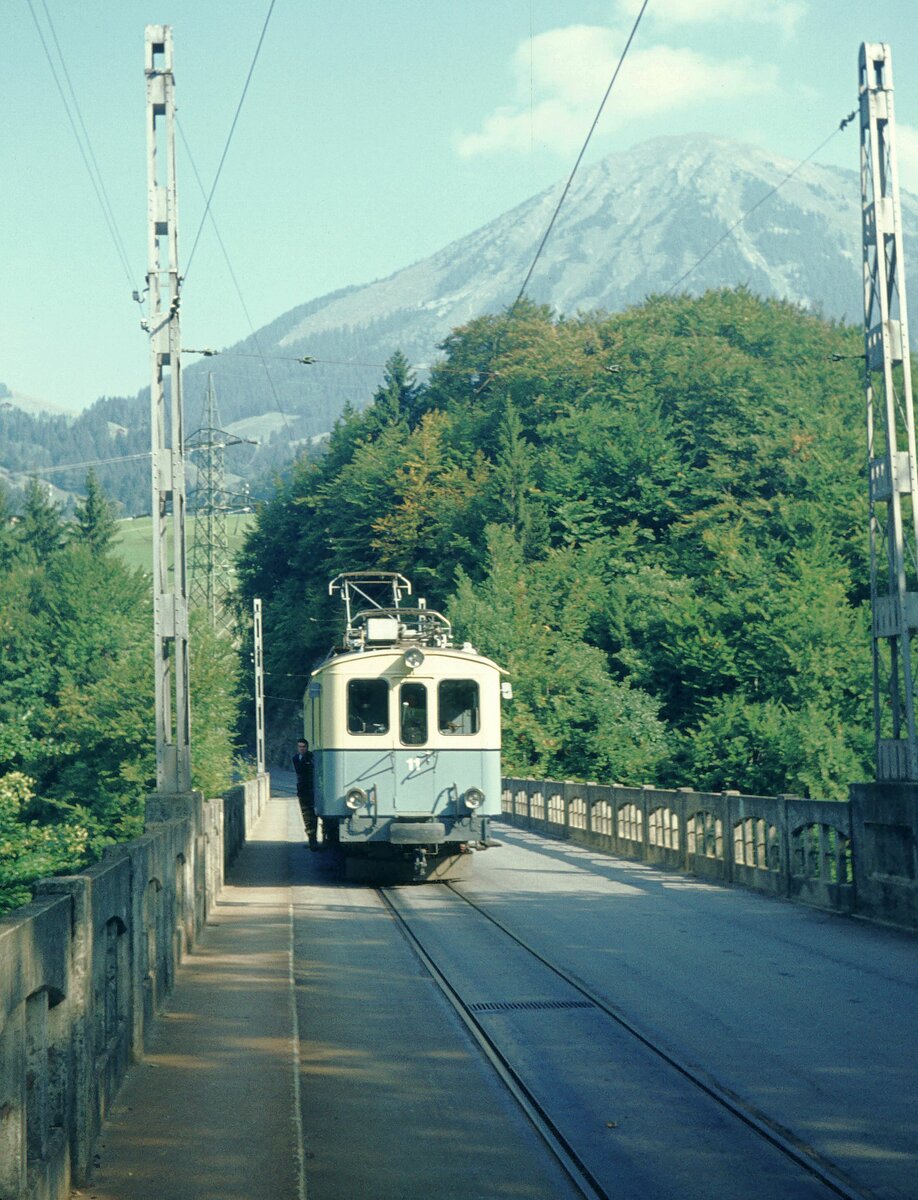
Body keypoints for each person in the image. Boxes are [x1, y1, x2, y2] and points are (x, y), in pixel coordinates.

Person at [292, 738, 318, 850]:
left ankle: (313, 840)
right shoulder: (295, 758)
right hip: (302, 789)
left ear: (307, 748)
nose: (302, 749)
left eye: (303, 747)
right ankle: (311, 838)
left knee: (312, 815)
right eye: (300, 747)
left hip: (311, 788)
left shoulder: (311, 757)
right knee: (306, 815)